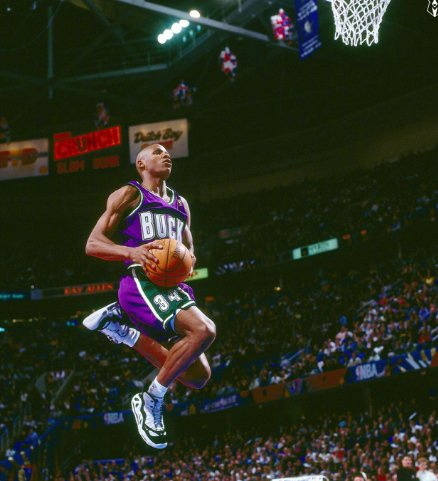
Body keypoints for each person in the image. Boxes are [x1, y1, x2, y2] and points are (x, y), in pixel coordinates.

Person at [83, 144, 216, 449]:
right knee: (204, 330)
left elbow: (189, 246)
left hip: (172, 287)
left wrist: (187, 260)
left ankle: (120, 327)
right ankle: (151, 399)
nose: (165, 154)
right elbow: (93, 244)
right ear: (141, 164)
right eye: (156, 152)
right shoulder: (130, 195)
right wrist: (131, 252)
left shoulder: (181, 204)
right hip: (141, 281)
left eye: (167, 152)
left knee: (197, 376)